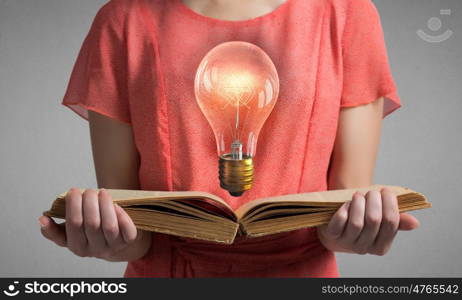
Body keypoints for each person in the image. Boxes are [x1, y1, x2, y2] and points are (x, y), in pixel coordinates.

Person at [38, 0, 420, 277]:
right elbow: (131, 223)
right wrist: (108, 236)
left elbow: (342, 206)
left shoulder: (346, 13)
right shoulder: (124, 20)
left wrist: (359, 230)